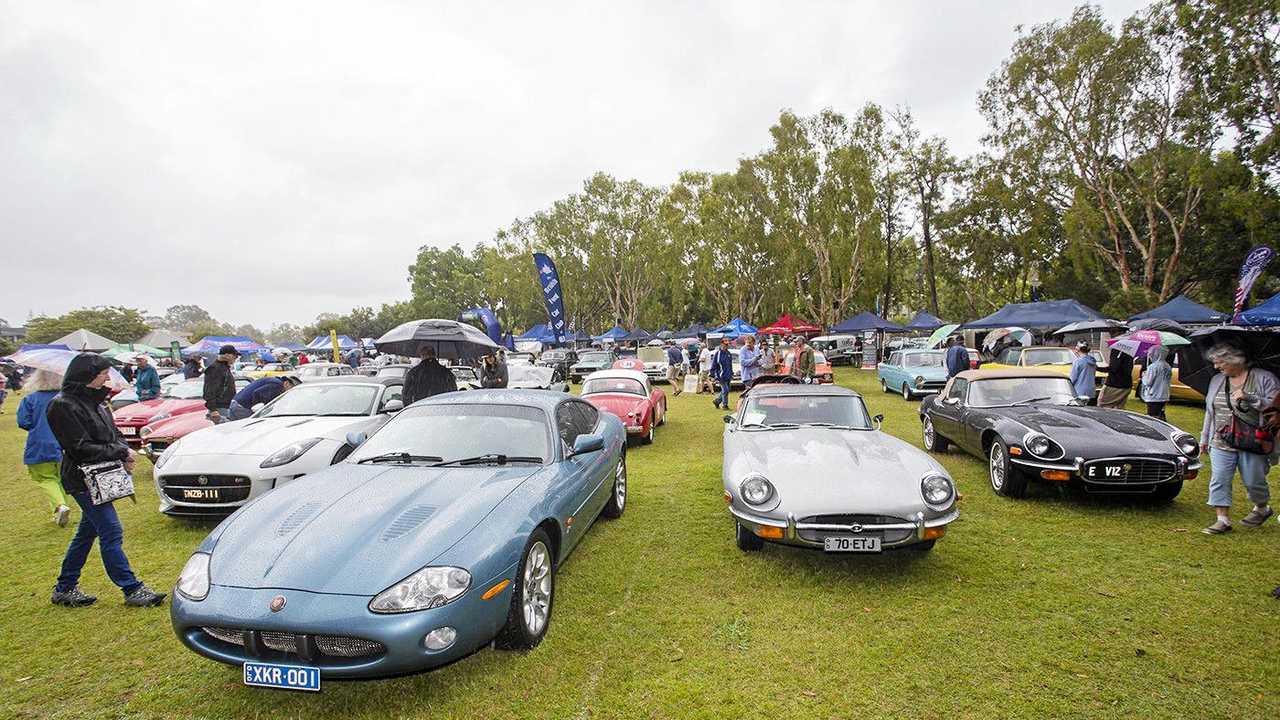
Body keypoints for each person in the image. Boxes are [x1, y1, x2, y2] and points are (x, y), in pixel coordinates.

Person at [47, 353, 166, 608]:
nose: (106, 378)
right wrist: (120, 452)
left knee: (87, 532)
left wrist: (123, 451)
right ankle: (131, 588)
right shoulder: (63, 405)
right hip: (82, 478)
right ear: (88, 376)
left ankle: (64, 587)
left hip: (104, 475)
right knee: (111, 530)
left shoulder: (98, 403)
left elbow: (114, 435)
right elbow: (78, 447)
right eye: (102, 374)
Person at [1199, 344, 1278, 535]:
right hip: (1221, 438)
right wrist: (1204, 437)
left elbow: (1275, 408)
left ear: (1235, 360)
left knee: (1254, 481)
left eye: (1220, 363)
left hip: (1253, 440)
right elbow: (1210, 411)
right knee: (1219, 478)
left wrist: (1249, 398)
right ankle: (1222, 519)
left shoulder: (1264, 378)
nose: (1217, 367)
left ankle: (1261, 507)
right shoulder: (1217, 380)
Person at [17, 369, 71, 526]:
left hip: (40, 445)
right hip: (64, 444)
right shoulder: (65, 399)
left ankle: (60, 506)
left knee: (46, 478)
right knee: (61, 479)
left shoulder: (31, 399)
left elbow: (24, 422)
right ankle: (60, 509)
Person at [229, 375, 299, 420]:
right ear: (286, 383)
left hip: (236, 403)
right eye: (291, 388)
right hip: (242, 407)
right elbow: (257, 393)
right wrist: (258, 410)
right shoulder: (277, 384)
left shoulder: (273, 380)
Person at [202, 345, 239, 424]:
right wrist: (213, 409)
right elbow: (209, 390)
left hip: (226, 406)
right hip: (219, 408)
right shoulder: (215, 368)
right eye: (234, 356)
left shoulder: (225, 368)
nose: (235, 358)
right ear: (227, 355)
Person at [1140, 347, 1172, 420]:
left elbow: (1148, 382)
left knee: (1153, 417)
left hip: (1154, 395)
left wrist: (1144, 376)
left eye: (1152, 354)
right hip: (1164, 395)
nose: (1150, 356)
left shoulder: (1153, 367)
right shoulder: (1168, 366)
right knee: (1160, 415)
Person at [710, 337, 735, 410]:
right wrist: (712, 375)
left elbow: (730, 365)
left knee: (726, 390)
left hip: (728, 375)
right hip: (721, 375)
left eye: (727, 344)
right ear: (721, 344)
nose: (726, 346)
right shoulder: (718, 354)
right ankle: (725, 405)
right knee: (725, 390)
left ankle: (717, 401)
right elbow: (714, 365)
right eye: (725, 344)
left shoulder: (729, 353)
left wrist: (731, 373)